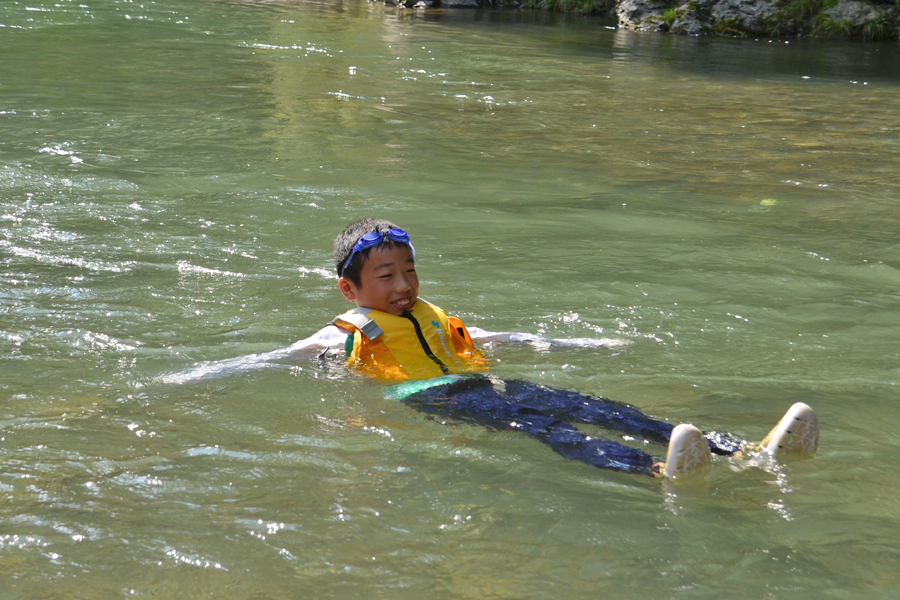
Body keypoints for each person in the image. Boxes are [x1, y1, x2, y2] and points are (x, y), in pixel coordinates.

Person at [163, 218, 819, 478]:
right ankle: (651, 472)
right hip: (440, 399)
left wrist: (584, 343)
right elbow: (273, 359)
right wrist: (194, 376)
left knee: (597, 405)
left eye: (409, 272)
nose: (403, 286)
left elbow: (505, 337)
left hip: (490, 384)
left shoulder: (432, 315)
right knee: (549, 429)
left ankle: (743, 450)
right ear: (351, 288)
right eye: (386, 277)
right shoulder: (347, 331)